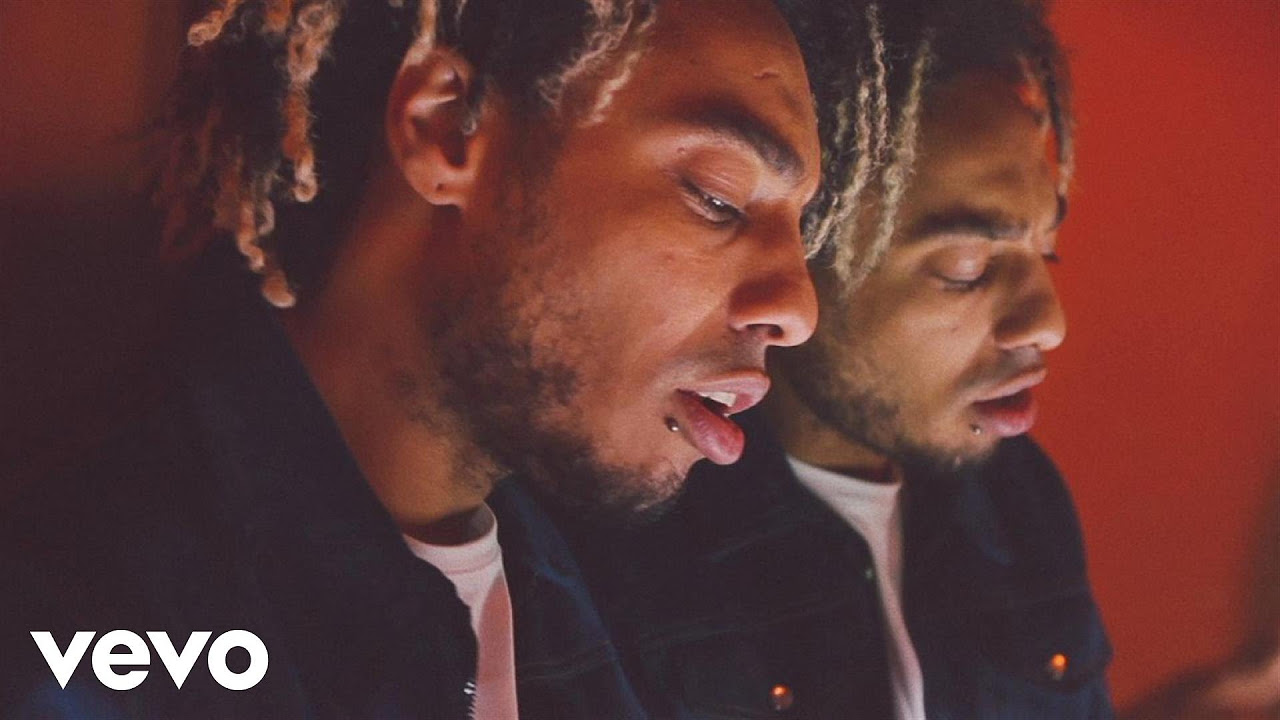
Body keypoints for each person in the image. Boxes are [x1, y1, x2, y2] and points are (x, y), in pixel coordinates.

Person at [0, 0, 830, 717]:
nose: (798, 309)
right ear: (444, 130)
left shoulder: (650, 607)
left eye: (805, 231)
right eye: (718, 198)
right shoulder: (78, 618)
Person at [558, 0, 1114, 717]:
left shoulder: (1016, 500)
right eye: (968, 268)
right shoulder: (626, 529)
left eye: (1046, 250)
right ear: (802, 255)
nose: (1048, 323)